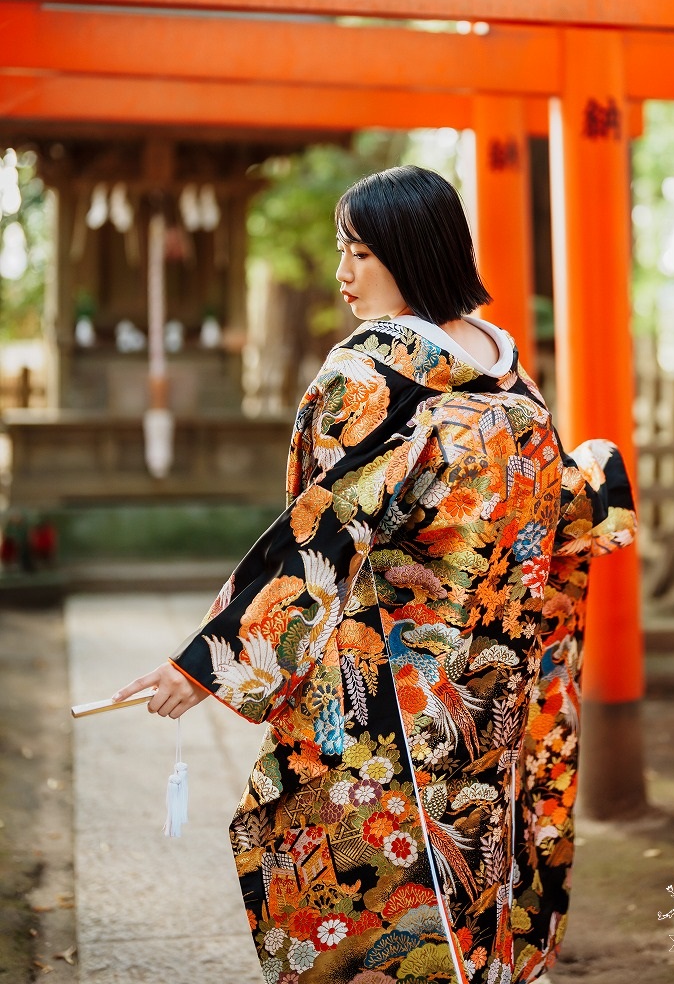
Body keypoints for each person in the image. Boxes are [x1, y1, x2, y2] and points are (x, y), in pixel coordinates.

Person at [113, 165, 637, 984]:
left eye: (358, 252)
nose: (342, 274)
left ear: (407, 249)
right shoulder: (510, 377)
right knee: (475, 861)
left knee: (371, 874)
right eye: (341, 251)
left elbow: (322, 529)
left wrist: (211, 662)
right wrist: (597, 475)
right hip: (489, 684)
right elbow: (554, 509)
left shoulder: (365, 375)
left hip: (385, 681)